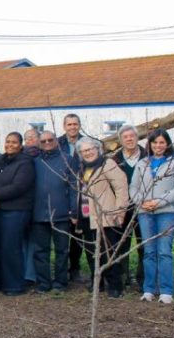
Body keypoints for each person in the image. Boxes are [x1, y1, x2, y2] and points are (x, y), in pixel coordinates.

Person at [131, 129, 174, 305]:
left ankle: (166, 290)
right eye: (155, 143)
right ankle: (148, 289)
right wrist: (142, 202)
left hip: (168, 212)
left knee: (164, 251)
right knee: (149, 252)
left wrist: (159, 202)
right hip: (145, 212)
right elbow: (133, 187)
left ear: (167, 144)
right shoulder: (142, 163)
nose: (158, 146)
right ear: (150, 145)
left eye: (162, 142)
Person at [0, 132, 35, 296]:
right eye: (7, 141)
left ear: (20, 145)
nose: (10, 145)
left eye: (14, 142)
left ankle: (14, 285)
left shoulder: (25, 162)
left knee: (11, 247)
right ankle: (1, 281)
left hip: (16, 211)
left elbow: (18, 186)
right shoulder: (1, 160)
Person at [75, 138, 129, 298]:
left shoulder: (108, 164)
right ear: (80, 154)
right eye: (84, 151)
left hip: (106, 216)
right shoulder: (81, 168)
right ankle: (97, 282)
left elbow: (121, 187)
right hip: (86, 217)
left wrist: (120, 212)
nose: (88, 152)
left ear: (98, 149)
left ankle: (115, 286)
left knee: (109, 251)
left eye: (91, 149)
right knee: (92, 252)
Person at [31, 131, 77, 292]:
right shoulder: (34, 162)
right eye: (43, 141)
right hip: (38, 214)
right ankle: (43, 283)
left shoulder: (67, 160)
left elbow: (73, 187)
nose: (47, 143)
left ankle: (60, 283)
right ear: (39, 143)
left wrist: (74, 210)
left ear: (56, 141)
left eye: (50, 140)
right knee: (40, 251)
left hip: (62, 213)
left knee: (62, 251)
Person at [113, 125, 147, 290]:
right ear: (121, 140)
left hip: (145, 206)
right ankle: (123, 278)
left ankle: (143, 279)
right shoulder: (115, 159)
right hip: (123, 208)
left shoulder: (148, 156)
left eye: (132, 136)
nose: (129, 139)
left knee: (144, 243)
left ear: (137, 137)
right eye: (125, 137)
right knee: (122, 244)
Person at [58, 113, 85, 283]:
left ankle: (75, 268)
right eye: (69, 124)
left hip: (82, 192)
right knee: (62, 235)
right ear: (64, 126)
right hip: (61, 191)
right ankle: (61, 270)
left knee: (78, 235)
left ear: (79, 125)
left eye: (75, 124)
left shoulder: (87, 143)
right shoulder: (57, 143)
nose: (72, 127)